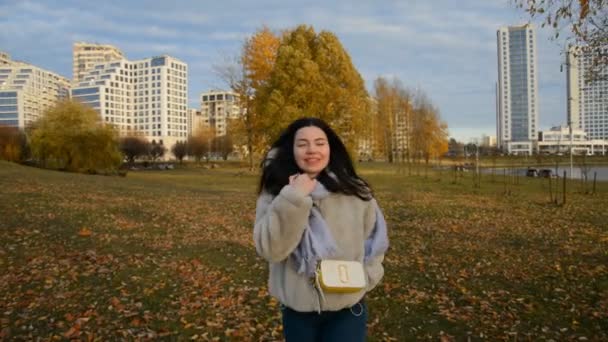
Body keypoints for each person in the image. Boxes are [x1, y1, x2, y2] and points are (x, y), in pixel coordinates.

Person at [253, 117, 389, 342]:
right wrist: (294, 197)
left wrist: (367, 278)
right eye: (302, 144)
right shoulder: (276, 191)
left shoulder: (355, 190)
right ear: (291, 150)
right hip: (298, 314)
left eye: (319, 142)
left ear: (330, 148)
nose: (312, 150)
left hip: (347, 309)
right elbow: (270, 250)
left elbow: (374, 241)